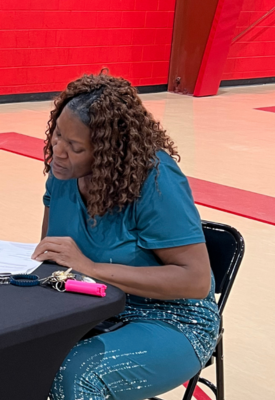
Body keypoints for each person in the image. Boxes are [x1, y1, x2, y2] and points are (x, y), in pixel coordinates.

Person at [31, 73, 219, 400]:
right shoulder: (63, 174)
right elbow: (54, 256)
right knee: (8, 348)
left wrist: (90, 266)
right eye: (57, 134)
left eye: (74, 146)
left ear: (107, 151)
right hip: (93, 305)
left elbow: (196, 280)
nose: (57, 151)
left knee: (75, 373)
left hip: (172, 318)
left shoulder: (155, 180)